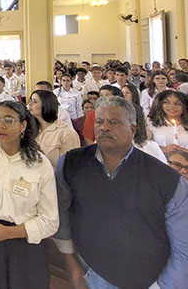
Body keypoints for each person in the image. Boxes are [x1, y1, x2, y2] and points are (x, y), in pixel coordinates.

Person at [54, 97, 187, 288]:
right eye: (99, 122)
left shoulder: (164, 177)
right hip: (91, 274)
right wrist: (72, 267)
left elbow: (184, 247)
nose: (104, 127)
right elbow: (63, 219)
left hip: (151, 279)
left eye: (114, 122)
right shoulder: (71, 164)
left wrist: (164, 285)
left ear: (132, 129)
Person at [0, 100, 59, 289]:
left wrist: (9, 233)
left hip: (25, 241)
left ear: (23, 125)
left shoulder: (40, 164)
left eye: (9, 120)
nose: (1, 125)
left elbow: (50, 222)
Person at [29, 90, 80, 167]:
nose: (29, 105)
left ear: (46, 105)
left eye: (34, 102)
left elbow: (71, 165)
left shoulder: (66, 133)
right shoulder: (31, 129)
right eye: (30, 101)